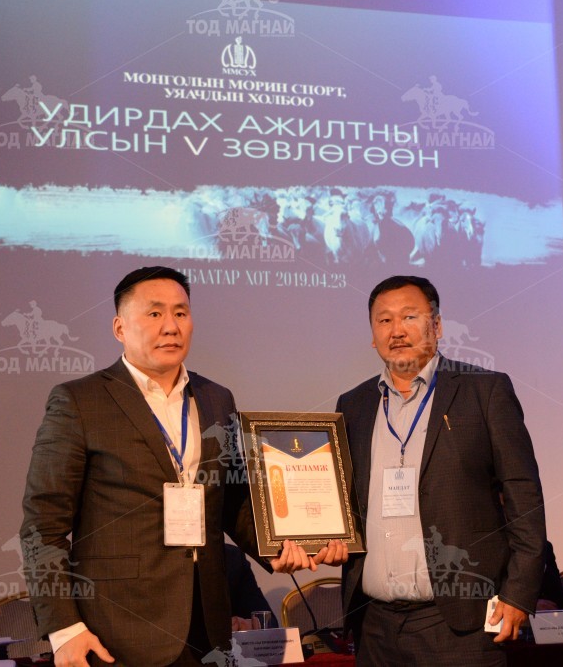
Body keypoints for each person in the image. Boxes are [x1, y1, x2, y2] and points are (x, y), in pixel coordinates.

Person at [21, 266, 345, 667]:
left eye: (180, 312)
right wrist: (64, 629)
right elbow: (42, 526)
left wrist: (279, 548)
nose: (171, 326)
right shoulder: (80, 401)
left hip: (206, 626)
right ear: (120, 328)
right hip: (116, 629)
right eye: (154, 313)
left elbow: (231, 501)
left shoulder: (216, 399)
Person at [335, 275, 546, 666]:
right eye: (384, 320)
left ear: (437, 325)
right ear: (373, 336)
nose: (396, 330)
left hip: (460, 626)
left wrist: (519, 593)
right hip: (374, 627)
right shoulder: (353, 405)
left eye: (409, 317)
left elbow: (524, 496)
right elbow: (344, 501)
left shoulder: (485, 390)